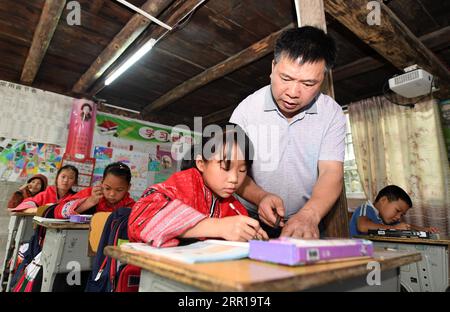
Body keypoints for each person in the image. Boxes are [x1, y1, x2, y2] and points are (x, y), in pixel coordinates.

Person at [229, 26, 346, 239]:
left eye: (308, 83)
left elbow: (332, 172)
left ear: (323, 78)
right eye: (286, 78)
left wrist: (310, 215)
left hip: (308, 218)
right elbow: (233, 173)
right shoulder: (245, 112)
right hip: (251, 217)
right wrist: (261, 197)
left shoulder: (332, 114)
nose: (293, 93)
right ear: (273, 67)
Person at [128, 124, 268, 248]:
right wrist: (218, 227)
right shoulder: (184, 183)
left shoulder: (234, 207)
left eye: (242, 170)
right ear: (201, 163)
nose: (234, 179)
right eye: (225, 167)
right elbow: (142, 219)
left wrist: (252, 237)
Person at [349, 185, 439, 237]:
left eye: (402, 215)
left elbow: (407, 226)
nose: (398, 217)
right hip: (355, 256)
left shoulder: (385, 220)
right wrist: (395, 228)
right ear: (383, 200)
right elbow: (363, 226)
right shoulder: (365, 209)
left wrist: (424, 229)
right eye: (397, 210)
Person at [54, 162, 135, 219]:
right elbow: (57, 211)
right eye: (107, 188)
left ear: (128, 187)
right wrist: (89, 202)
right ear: (102, 182)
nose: (112, 194)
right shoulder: (90, 193)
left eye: (119, 190)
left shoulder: (132, 207)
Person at [11, 165, 79, 212]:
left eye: (71, 178)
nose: (65, 180)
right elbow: (24, 206)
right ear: (57, 178)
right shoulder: (45, 194)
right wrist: (42, 210)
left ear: (75, 182)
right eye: (63, 177)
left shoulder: (75, 198)